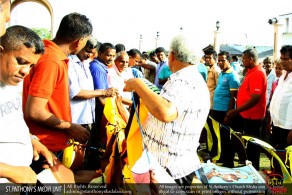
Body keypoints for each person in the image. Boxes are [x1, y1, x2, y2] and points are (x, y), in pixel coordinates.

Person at [124, 35, 210, 187]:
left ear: (172, 55)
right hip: (169, 164)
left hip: (170, 169)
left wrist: (138, 84)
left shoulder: (183, 80)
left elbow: (166, 112)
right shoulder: (190, 77)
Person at [22, 13, 92, 156]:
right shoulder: (51, 61)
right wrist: (70, 127)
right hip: (44, 144)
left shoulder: (51, 55)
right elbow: (35, 111)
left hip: (46, 141)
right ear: (79, 41)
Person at [0, 25, 55, 183]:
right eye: (21, 62)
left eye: (31, 66)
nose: (26, 71)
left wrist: (31, 140)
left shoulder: (11, 84)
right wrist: (10, 171)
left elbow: (11, 122)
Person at [68, 37, 118, 169]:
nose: (88, 55)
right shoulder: (71, 63)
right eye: (86, 51)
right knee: (72, 157)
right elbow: (76, 92)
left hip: (86, 117)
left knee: (82, 155)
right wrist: (103, 92)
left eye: (91, 52)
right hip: (77, 119)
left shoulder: (84, 63)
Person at [225, 48, 267, 170]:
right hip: (244, 114)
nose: (242, 61)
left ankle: (253, 171)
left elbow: (255, 98)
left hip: (252, 116)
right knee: (236, 137)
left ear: (251, 59)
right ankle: (240, 163)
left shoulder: (258, 72)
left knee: (252, 145)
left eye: (243, 58)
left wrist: (236, 110)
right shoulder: (250, 71)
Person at [212, 51, 240, 168]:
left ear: (229, 60)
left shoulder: (232, 75)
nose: (220, 62)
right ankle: (223, 158)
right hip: (217, 109)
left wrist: (228, 114)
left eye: (223, 60)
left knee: (226, 137)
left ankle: (229, 162)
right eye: (218, 60)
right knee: (220, 137)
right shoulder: (222, 74)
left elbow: (234, 97)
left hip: (225, 111)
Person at [270, 45, 292, 149]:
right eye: (282, 59)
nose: (283, 62)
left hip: (288, 127)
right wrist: (271, 120)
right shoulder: (283, 75)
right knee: (275, 157)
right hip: (277, 125)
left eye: (286, 59)